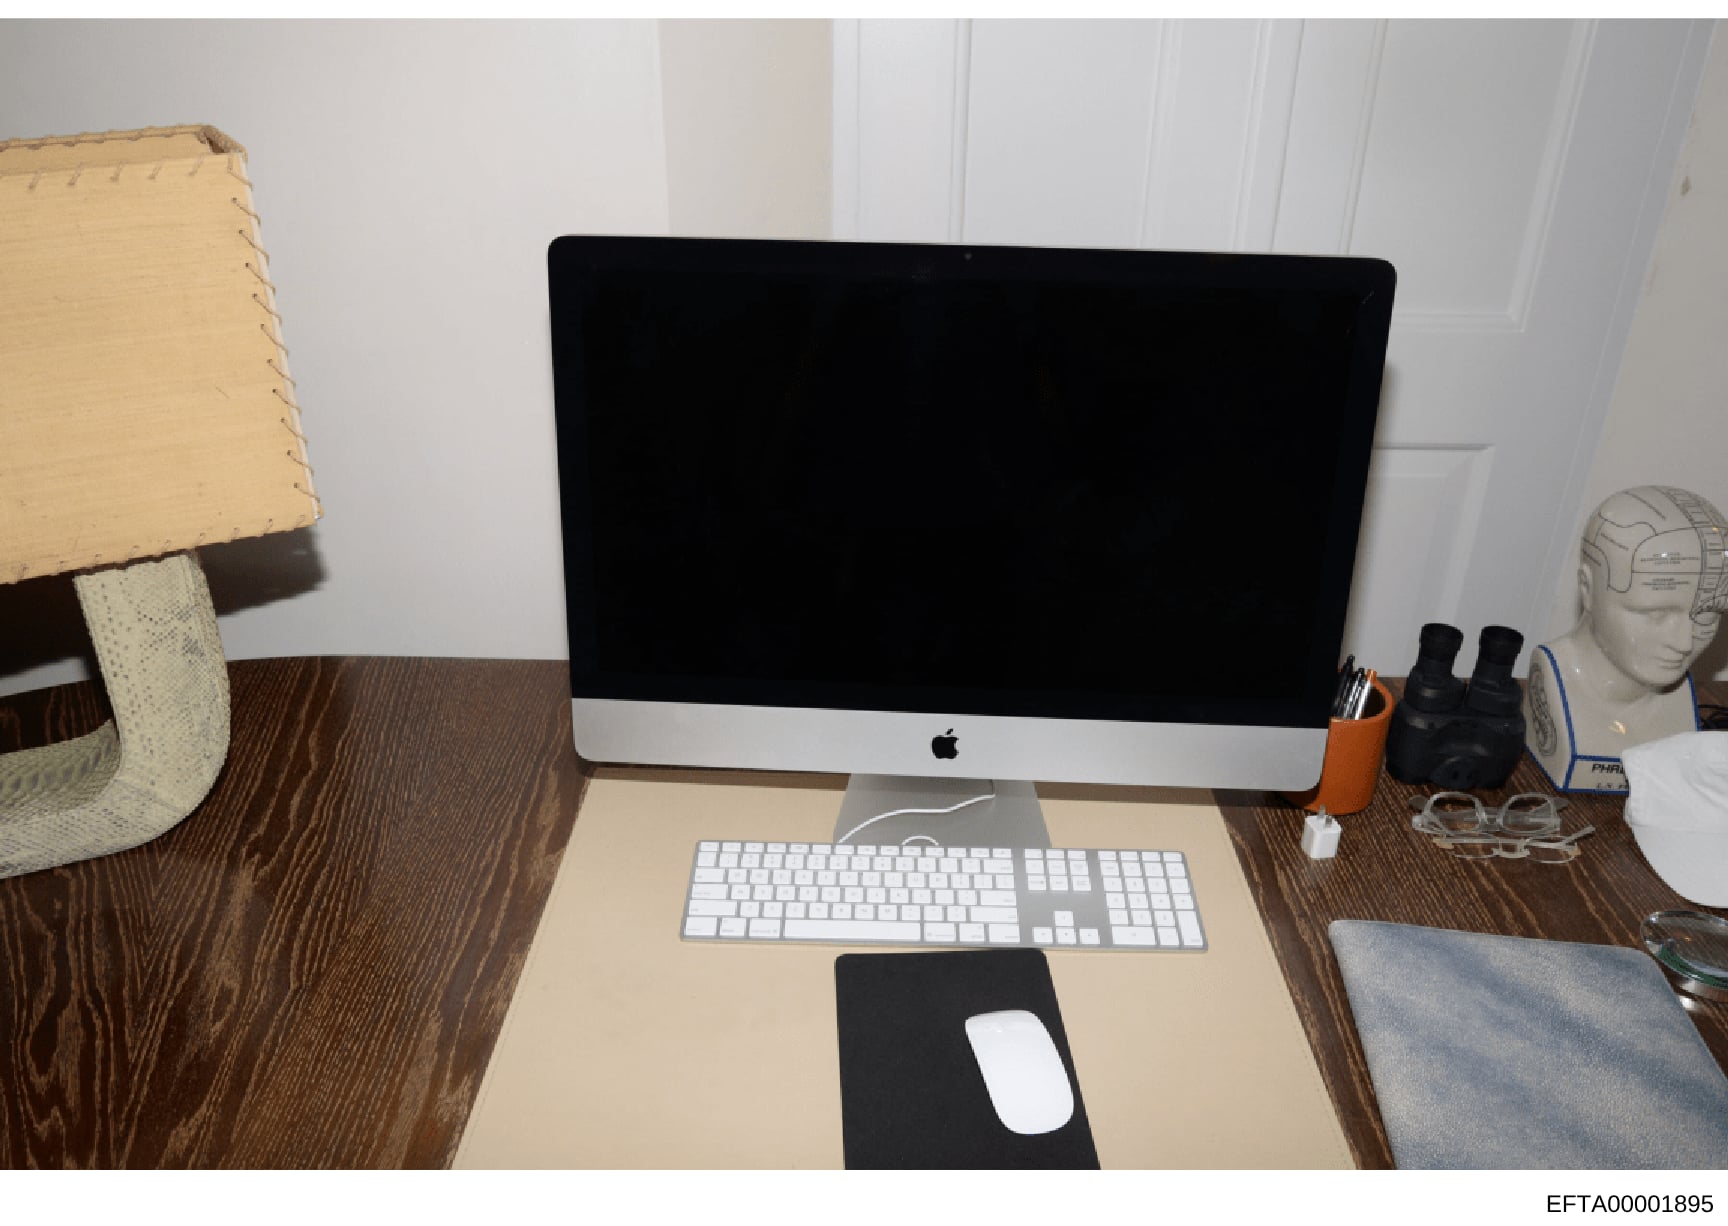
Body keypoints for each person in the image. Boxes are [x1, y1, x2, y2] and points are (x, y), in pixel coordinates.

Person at [1526, 485, 1727, 793]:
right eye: (1655, 613)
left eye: (1708, 614)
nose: (1685, 642)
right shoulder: (1555, 679)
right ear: (1587, 590)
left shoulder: (1679, 692)